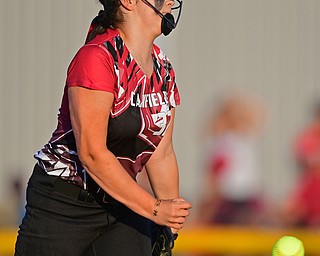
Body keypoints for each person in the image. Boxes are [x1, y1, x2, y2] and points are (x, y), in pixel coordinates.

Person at [14, 0, 191, 255]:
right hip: (64, 203)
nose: (171, 2)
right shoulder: (97, 57)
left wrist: (169, 227)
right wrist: (154, 208)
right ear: (129, 2)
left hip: (121, 203)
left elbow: (160, 154)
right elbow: (92, 154)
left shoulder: (163, 69)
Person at [197, 94, 265, 225]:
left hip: (242, 195)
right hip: (230, 196)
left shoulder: (238, 139)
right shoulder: (223, 142)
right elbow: (215, 174)